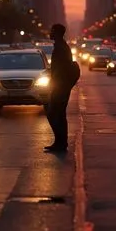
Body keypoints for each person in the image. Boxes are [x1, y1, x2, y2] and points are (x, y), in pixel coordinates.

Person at [45, 23, 73, 152]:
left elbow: (62, 69)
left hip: (60, 86)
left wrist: (57, 86)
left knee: (54, 114)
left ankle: (61, 142)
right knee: (59, 114)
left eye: (52, 30)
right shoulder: (60, 47)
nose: (50, 33)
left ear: (56, 32)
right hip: (60, 85)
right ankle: (60, 142)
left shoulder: (61, 48)